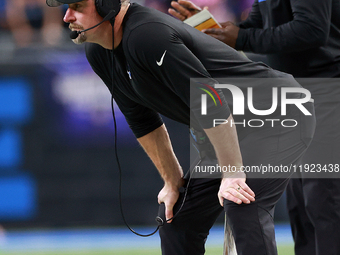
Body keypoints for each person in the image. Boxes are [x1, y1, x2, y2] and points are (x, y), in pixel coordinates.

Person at [46, 0, 315, 254]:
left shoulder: (146, 35)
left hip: (278, 113)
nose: (67, 16)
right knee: (176, 218)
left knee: (242, 202)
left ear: (106, 5)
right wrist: (172, 181)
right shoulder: (99, 52)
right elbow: (141, 118)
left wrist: (232, 173)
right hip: (232, 129)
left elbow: (210, 100)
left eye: (78, 6)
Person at [169, 1, 340, 255]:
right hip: (295, 96)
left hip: (325, 88)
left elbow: (312, 29)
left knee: (322, 199)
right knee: (301, 205)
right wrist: (212, 30)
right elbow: (256, 28)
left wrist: (242, 37)